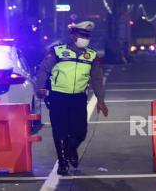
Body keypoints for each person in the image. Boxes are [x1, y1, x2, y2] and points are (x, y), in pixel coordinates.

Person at [36, 21, 109, 175]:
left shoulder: (91, 55)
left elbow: (96, 78)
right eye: (82, 35)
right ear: (73, 36)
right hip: (58, 97)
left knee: (80, 132)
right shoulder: (58, 52)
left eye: (87, 36)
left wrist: (100, 100)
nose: (85, 38)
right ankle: (63, 163)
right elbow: (44, 70)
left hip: (78, 98)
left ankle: (70, 150)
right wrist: (40, 88)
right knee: (60, 130)